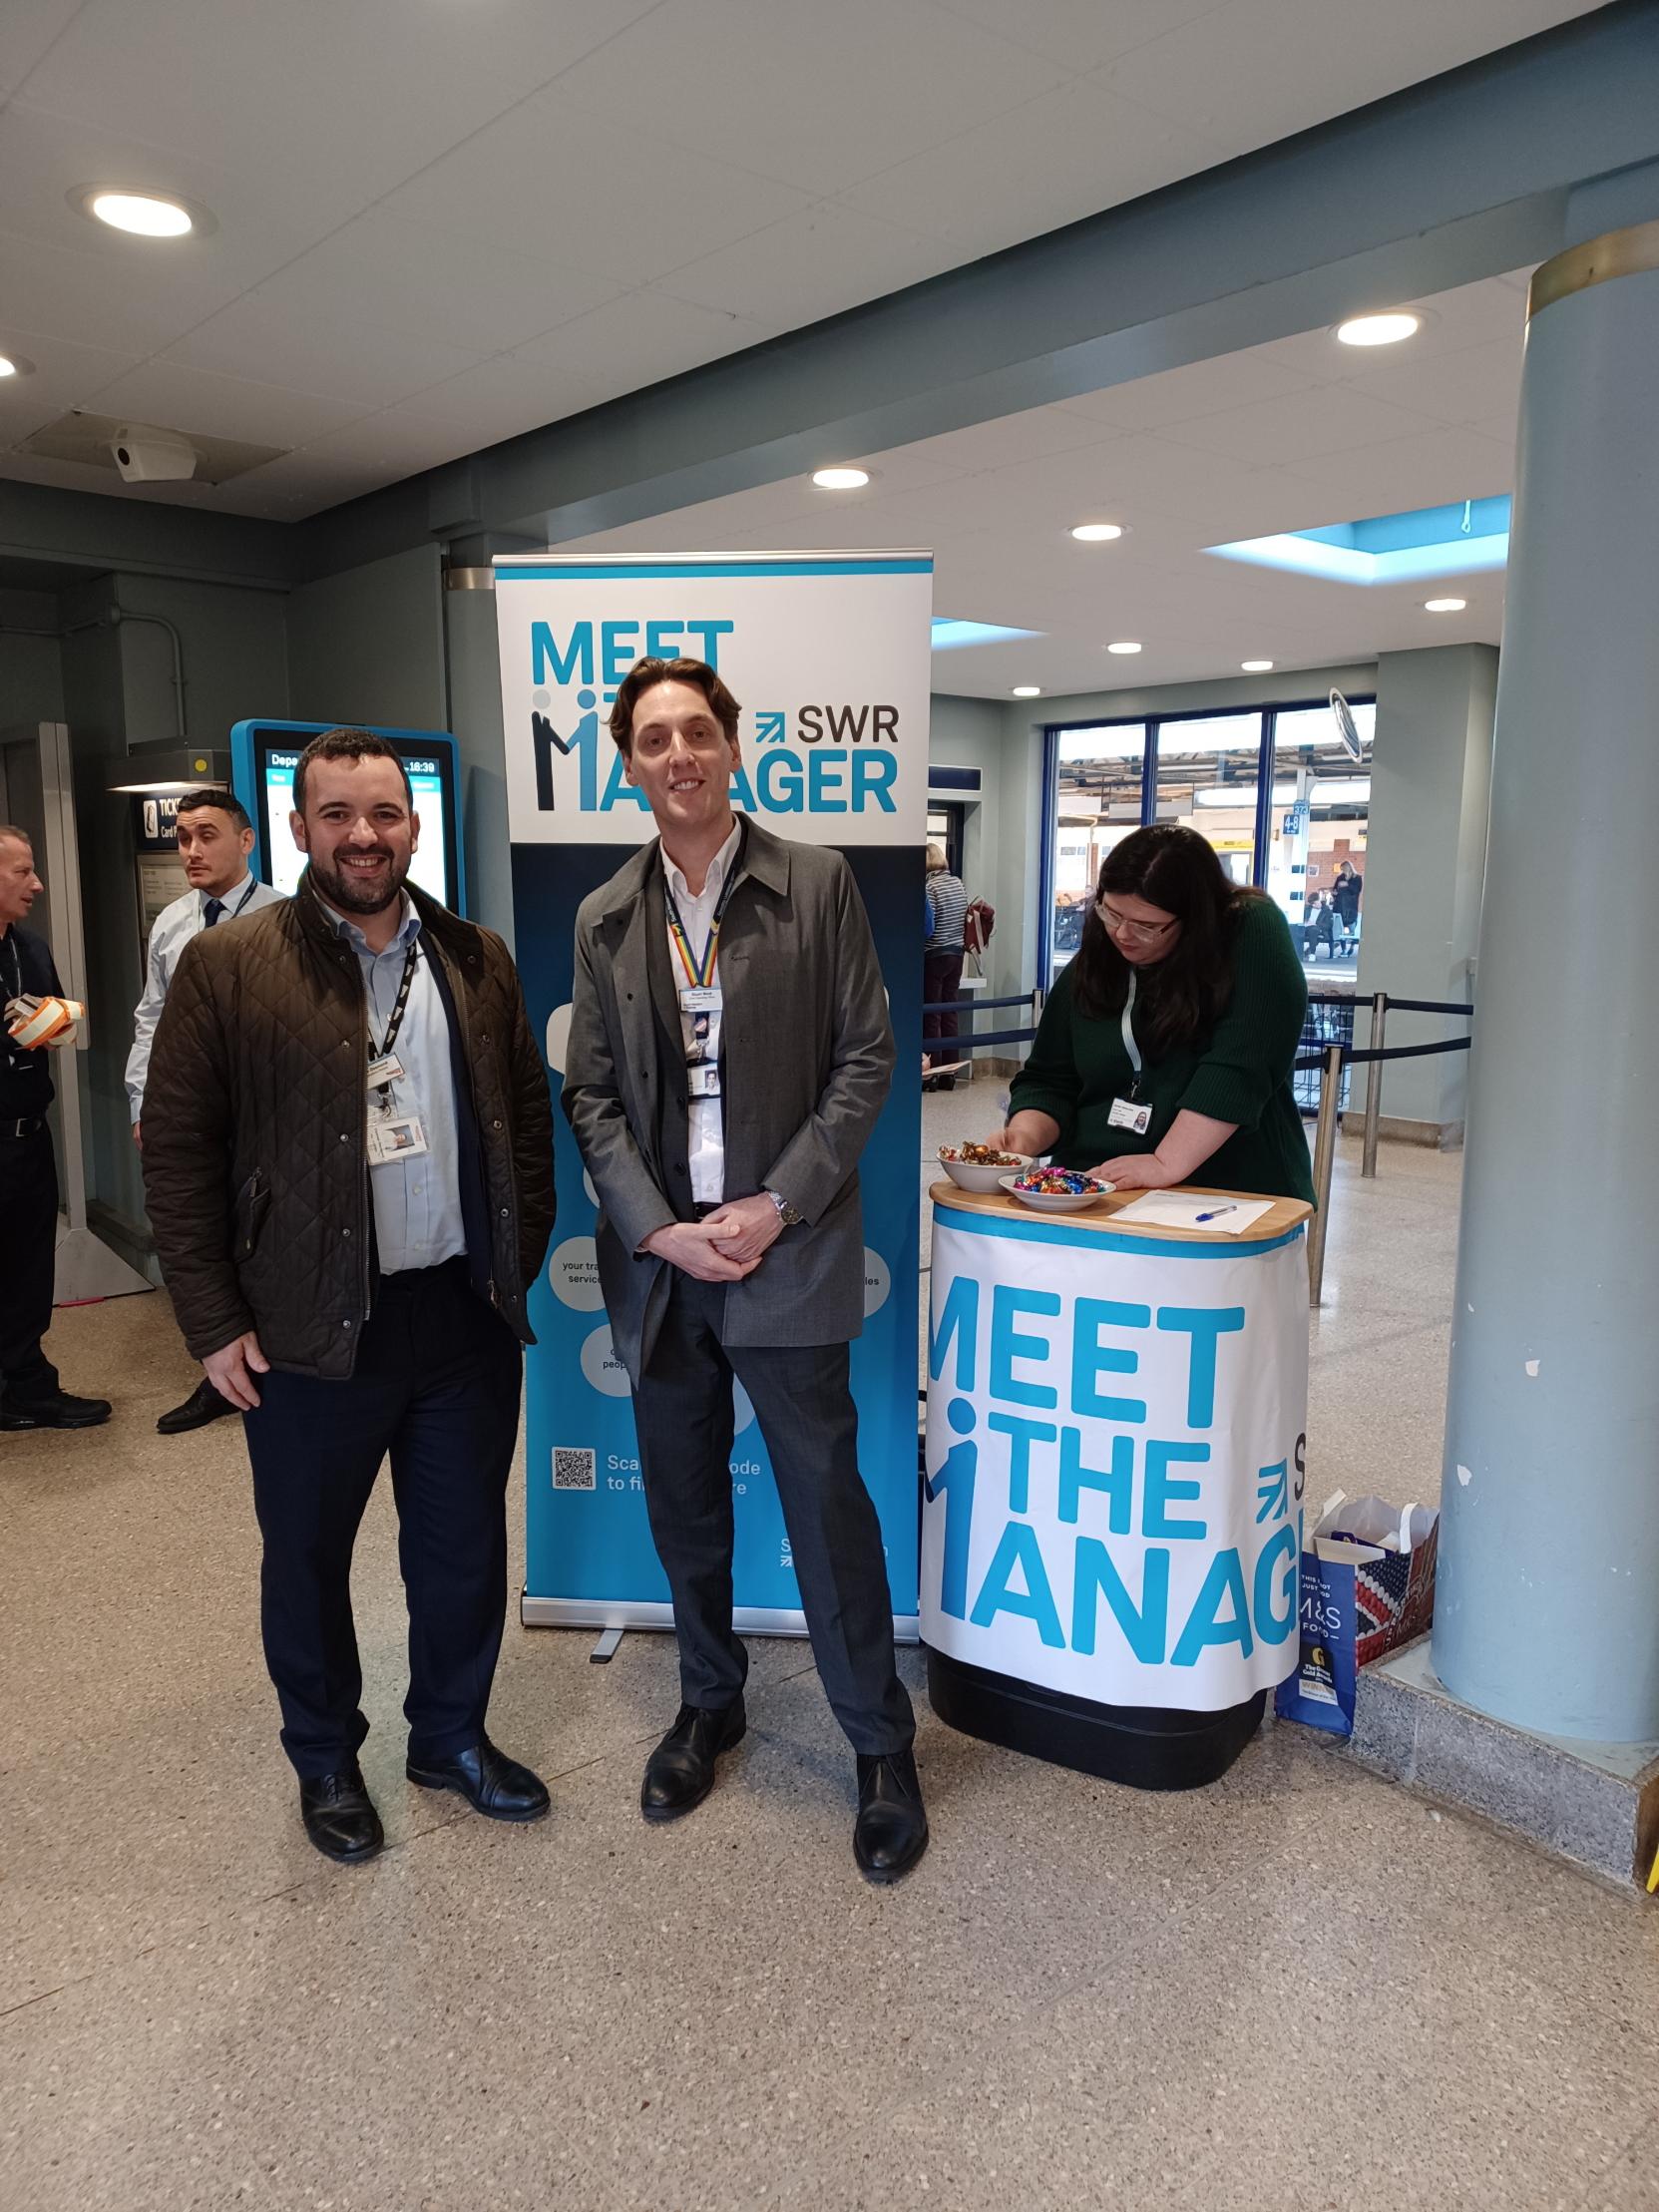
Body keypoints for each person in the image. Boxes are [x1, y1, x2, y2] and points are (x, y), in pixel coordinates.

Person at [141, 728, 556, 1866]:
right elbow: (178, 1151)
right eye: (338, 815)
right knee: (309, 1558)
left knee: (463, 1550)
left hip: (463, 1321)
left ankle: (451, 1741)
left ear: (412, 825)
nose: (364, 835)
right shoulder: (230, 967)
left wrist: (515, 1256)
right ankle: (325, 1760)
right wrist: (215, 1320)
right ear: (302, 827)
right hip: (307, 1328)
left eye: (384, 813)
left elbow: (523, 1117)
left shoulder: (474, 954)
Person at [564, 656, 927, 1884]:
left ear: (733, 745)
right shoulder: (607, 913)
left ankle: (878, 1744)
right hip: (664, 1266)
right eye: (653, 738)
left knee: (826, 1505)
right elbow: (592, 1095)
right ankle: (709, 1702)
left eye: (697, 733)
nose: (678, 756)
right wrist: (656, 1227)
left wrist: (774, 1207)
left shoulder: (813, 886)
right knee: (684, 1502)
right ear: (629, 762)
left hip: (786, 1250)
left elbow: (865, 1063)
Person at [995, 823, 1314, 1202]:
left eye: (1148, 926)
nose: (1123, 934)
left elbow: (1240, 1069)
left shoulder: (1249, 928)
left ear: (1195, 918)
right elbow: (1049, 1078)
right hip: (1093, 1189)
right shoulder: (1097, 959)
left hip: (1227, 1191)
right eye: (1111, 914)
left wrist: (1165, 1162)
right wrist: (1025, 1137)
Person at [126, 788, 284, 1436]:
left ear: (245, 841)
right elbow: (150, 1023)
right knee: (202, 1233)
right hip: (192, 1114)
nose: (192, 849)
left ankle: (271, 1362)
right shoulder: (171, 924)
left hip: (265, 1116)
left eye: (206, 834)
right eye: (184, 836)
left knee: (262, 1233)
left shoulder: (286, 918)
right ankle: (219, 1368)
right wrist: (144, 1103)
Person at [0, 826, 111, 1432]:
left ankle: (28, 1385)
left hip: (26, 1137)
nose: (37, 884)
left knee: (27, 1269)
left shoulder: (30, 947)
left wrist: (50, 1023)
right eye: (23, 872)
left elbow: (63, 1021)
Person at [923, 840, 969, 1093]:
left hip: (935, 955)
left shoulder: (930, 887)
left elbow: (927, 927)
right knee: (951, 1012)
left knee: (932, 1015)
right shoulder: (957, 883)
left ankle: (931, 1072)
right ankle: (950, 1073)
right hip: (957, 955)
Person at [1330, 857, 1363, 943]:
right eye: (1342, 869)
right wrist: (1334, 893)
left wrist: (1347, 884)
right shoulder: (1340, 877)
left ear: (1348, 868)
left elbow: (1357, 890)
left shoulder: (1357, 878)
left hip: (1351, 907)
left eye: (1343, 869)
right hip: (1339, 906)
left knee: (1351, 929)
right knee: (1339, 928)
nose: (1342, 871)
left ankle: (1351, 946)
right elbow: (1335, 889)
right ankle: (1343, 948)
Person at [1300, 888, 1336, 961]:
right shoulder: (1307, 909)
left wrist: (1315, 923)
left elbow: (1329, 925)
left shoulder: (1326, 910)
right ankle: (1297, 953)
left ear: (1319, 901)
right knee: (1296, 929)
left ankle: (1312, 954)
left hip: (1319, 929)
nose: (1314, 905)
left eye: (1316, 903)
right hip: (1306, 927)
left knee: (1314, 930)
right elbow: (1301, 918)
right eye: (1312, 904)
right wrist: (1305, 922)